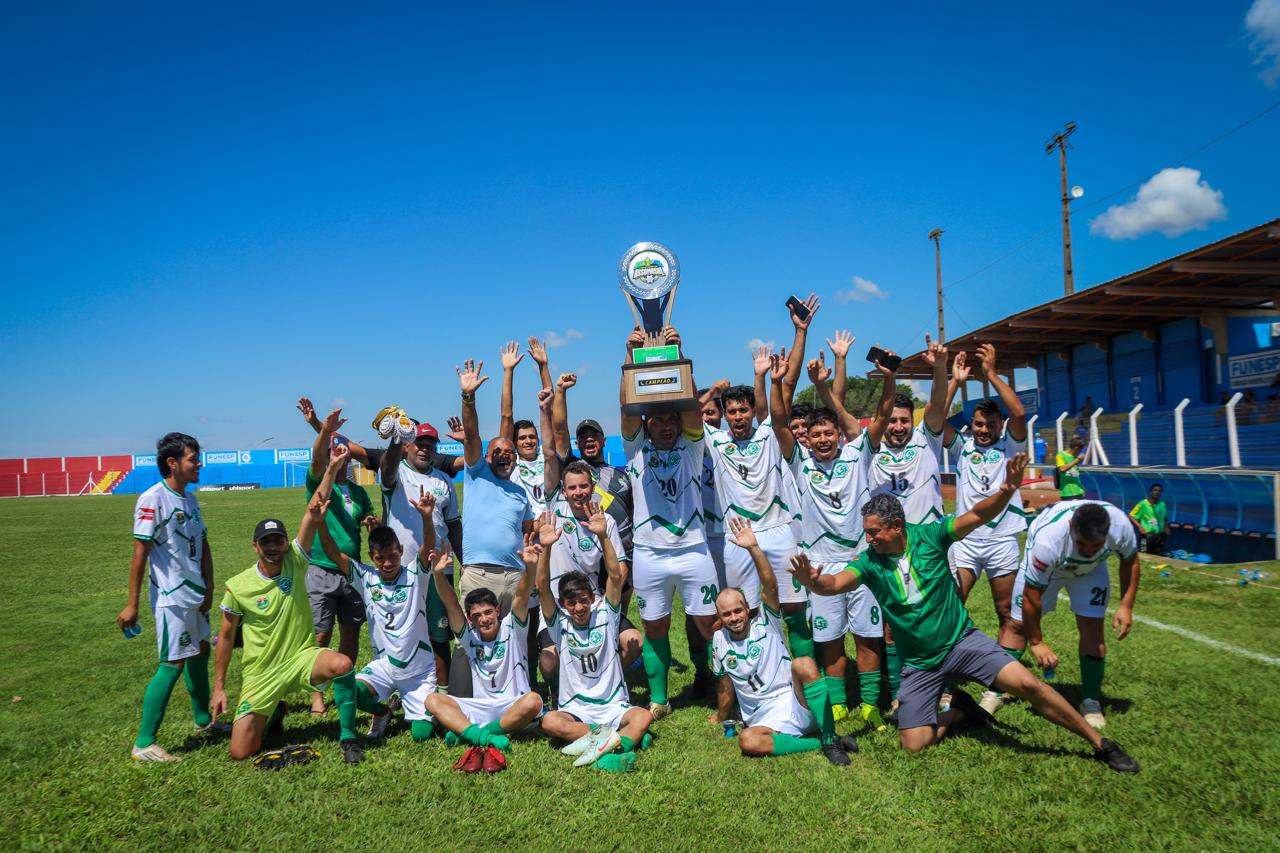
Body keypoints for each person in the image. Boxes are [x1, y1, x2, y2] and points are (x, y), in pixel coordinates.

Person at [791, 457, 1140, 773]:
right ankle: (961, 711)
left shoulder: (931, 536)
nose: (868, 539)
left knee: (1028, 685)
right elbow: (835, 583)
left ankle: (1101, 744)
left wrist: (1006, 490)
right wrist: (813, 581)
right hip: (920, 663)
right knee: (914, 743)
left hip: (963, 642)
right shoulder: (869, 562)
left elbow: (978, 515)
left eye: (873, 532)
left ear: (896, 525)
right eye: (866, 532)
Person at [210, 450, 366, 764]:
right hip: (261, 673)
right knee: (240, 752)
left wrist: (333, 468)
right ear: (255, 546)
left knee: (342, 664)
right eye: (265, 542)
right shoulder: (238, 586)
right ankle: (272, 714)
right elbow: (225, 637)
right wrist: (219, 687)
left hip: (300, 659)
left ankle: (348, 737)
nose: (272, 547)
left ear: (285, 543)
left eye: (277, 541)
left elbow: (312, 511)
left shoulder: (295, 561)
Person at [772, 346, 895, 732]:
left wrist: (889, 378)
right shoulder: (800, 463)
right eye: (816, 434)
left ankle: (871, 704)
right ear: (806, 439)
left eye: (829, 432)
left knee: (868, 635)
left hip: (862, 561)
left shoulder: (858, 454)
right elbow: (778, 424)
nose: (823, 439)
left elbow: (883, 415)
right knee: (829, 638)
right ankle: (839, 702)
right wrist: (776, 383)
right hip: (822, 565)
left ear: (839, 435)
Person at [310, 448, 446, 747]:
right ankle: (382, 711)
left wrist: (426, 518)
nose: (387, 563)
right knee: (350, 690)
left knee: (421, 735)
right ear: (372, 556)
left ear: (401, 551)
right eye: (380, 558)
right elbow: (333, 553)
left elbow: (427, 547)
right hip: (384, 666)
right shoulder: (365, 577)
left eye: (393, 556)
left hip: (419, 671)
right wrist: (319, 523)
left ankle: (417, 706)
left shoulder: (415, 574)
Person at [620, 325, 719, 719]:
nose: (665, 425)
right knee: (655, 627)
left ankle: (719, 685)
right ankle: (659, 699)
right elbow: (626, 409)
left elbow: (692, 407)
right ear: (648, 425)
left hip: (693, 549)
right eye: (657, 420)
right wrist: (629, 359)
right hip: (649, 553)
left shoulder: (693, 447)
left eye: (670, 420)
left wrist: (679, 356)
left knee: (709, 623)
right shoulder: (635, 450)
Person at [118, 432, 228, 762]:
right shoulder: (152, 499)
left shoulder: (190, 499)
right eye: (193, 459)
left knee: (200, 652)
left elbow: (203, 544)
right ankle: (144, 743)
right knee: (172, 663)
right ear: (172, 463)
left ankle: (203, 721)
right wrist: (133, 604)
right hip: (172, 598)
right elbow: (140, 553)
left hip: (196, 594)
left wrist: (209, 587)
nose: (199, 464)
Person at [713, 519, 856, 766]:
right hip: (762, 719)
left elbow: (770, 586)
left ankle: (829, 737)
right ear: (719, 617)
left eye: (738, 610)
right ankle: (824, 742)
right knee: (748, 741)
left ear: (747, 608)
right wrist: (721, 716)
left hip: (795, 702)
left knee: (803, 663)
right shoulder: (719, 641)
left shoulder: (766, 622)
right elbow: (725, 685)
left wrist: (753, 548)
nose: (734, 618)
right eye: (727, 614)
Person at [704, 344, 810, 669]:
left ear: (752, 411)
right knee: (746, 612)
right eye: (731, 411)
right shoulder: (716, 441)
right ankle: (757, 675)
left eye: (743, 410)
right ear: (724, 415)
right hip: (739, 539)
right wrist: (711, 390)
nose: (738, 416)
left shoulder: (768, 435)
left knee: (794, 610)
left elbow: (783, 400)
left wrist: (768, 378)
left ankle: (806, 677)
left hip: (779, 533)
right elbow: (690, 412)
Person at [863, 333, 951, 714]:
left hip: (926, 547)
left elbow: (938, 403)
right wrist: (888, 378)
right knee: (893, 625)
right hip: (890, 552)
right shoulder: (871, 451)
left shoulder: (927, 440)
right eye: (892, 421)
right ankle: (901, 691)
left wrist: (940, 368)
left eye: (904, 420)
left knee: (937, 620)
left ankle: (943, 688)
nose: (898, 426)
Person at [940, 344, 1029, 715]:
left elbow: (1019, 412)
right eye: (979, 424)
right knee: (950, 606)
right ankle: (943, 680)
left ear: (999, 426)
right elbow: (935, 419)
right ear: (971, 424)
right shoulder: (960, 447)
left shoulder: (1012, 446)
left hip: (1002, 539)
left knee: (1007, 610)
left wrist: (991, 375)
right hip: (965, 540)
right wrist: (953, 381)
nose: (984, 430)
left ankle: (997, 688)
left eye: (991, 425)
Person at [537, 504, 654, 772]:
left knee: (643, 715)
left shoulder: (607, 615)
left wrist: (603, 536)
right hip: (576, 709)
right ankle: (619, 740)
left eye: (583, 601)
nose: (578, 608)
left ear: (592, 598)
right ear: (563, 605)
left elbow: (615, 575)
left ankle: (610, 750)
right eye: (571, 603)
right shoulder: (559, 624)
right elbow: (542, 587)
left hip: (614, 705)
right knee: (550, 722)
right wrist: (546, 549)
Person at [1009, 500, 1141, 730]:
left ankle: (1091, 701)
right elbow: (1031, 597)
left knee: (1093, 629)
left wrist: (1126, 606)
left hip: (1091, 571)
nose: (1088, 551)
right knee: (1019, 625)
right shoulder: (1048, 540)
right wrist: (1037, 642)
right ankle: (999, 688)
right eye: (1081, 544)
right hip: (1051, 568)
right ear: (1071, 527)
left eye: (1096, 545)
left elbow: (1130, 561)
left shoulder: (1120, 526)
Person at [425, 531, 545, 774]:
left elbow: (521, 595)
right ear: (470, 619)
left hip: (512, 704)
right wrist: (438, 574)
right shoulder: (469, 635)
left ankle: (474, 733)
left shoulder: (513, 628)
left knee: (534, 701)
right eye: (477, 615)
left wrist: (530, 568)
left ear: (498, 610)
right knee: (432, 700)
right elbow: (451, 603)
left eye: (488, 612)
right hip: (479, 707)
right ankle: (487, 737)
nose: (484, 619)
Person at [536, 465, 643, 691]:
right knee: (548, 663)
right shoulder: (553, 515)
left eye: (584, 486)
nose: (578, 492)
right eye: (572, 487)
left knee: (633, 643)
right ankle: (564, 693)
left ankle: (604, 683)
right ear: (563, 491)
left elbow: (621, 569)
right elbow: (550, 451)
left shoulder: (605, 520)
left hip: (591, 602)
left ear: (593, 488)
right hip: (556, 605)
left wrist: (606, 603)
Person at [302, 408, 376, 717]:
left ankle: (342, 690)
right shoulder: (319, 483)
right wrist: (322, 430)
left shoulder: (358, 492)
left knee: (350, 633)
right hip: (321, 567)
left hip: (351, 570)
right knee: (320, 635)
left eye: (344, 453)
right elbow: (317, 459)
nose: (340, 456)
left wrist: (371, 521)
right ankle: (316, 695)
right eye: (334, 452)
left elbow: (368, 516)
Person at [378, 417, 462, 687]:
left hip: (439, 569)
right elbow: (387, 469)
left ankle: (443, 692)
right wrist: (397, 438)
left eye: (430, 445)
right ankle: (401, 690)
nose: (425, 449)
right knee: (402, 634)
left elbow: (453, 526)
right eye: (419, 443)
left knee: (439, 636)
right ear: (407, 447)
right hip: (402, 570)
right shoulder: (396, 474)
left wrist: (466, 563)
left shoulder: (444, 481)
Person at [457, 357, 537, 614]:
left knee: (515, 635)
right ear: (487, 457)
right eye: (497, 451)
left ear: (515, 458)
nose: (504, 455)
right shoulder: (477, 473)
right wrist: (468, 397)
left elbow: (528, 532)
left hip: (515, 575)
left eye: (509, 452)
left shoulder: (520, 493)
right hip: (479, 574)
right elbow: (471, 435)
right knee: (472, 636)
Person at [500, 338, 554, 515]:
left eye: (532, 436)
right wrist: (508, 371)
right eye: (522, 438)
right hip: (523, 528)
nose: (528, 441)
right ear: (514, 443)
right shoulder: (510, 462)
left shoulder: (546, 456)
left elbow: (550, 408)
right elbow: (506, 415)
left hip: (552, 527)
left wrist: (543, 366)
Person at [1129, 484, 1168, 554]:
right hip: (1146, 535)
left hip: (1159, 535)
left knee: (1157, 555)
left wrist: (1166, 527)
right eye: (1155, 490)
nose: (1157, 492)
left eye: (1160, 491)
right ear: (1150, 492)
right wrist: (1140, 527)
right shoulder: (1143, 504)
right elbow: (1131, 516)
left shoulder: (1162, 505)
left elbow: (1164, 518)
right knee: (1143, 554)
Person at [1055, 435, 1087, 500]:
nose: (1080, 452)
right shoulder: (1061, 455)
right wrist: (1078, 460)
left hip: (1079, 492)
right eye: (1080, 450)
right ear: (1076, 448)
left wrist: (1082, 489)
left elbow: (1075, 475)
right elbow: (1062, 468)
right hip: (1067, 494)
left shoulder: (1075, 457)